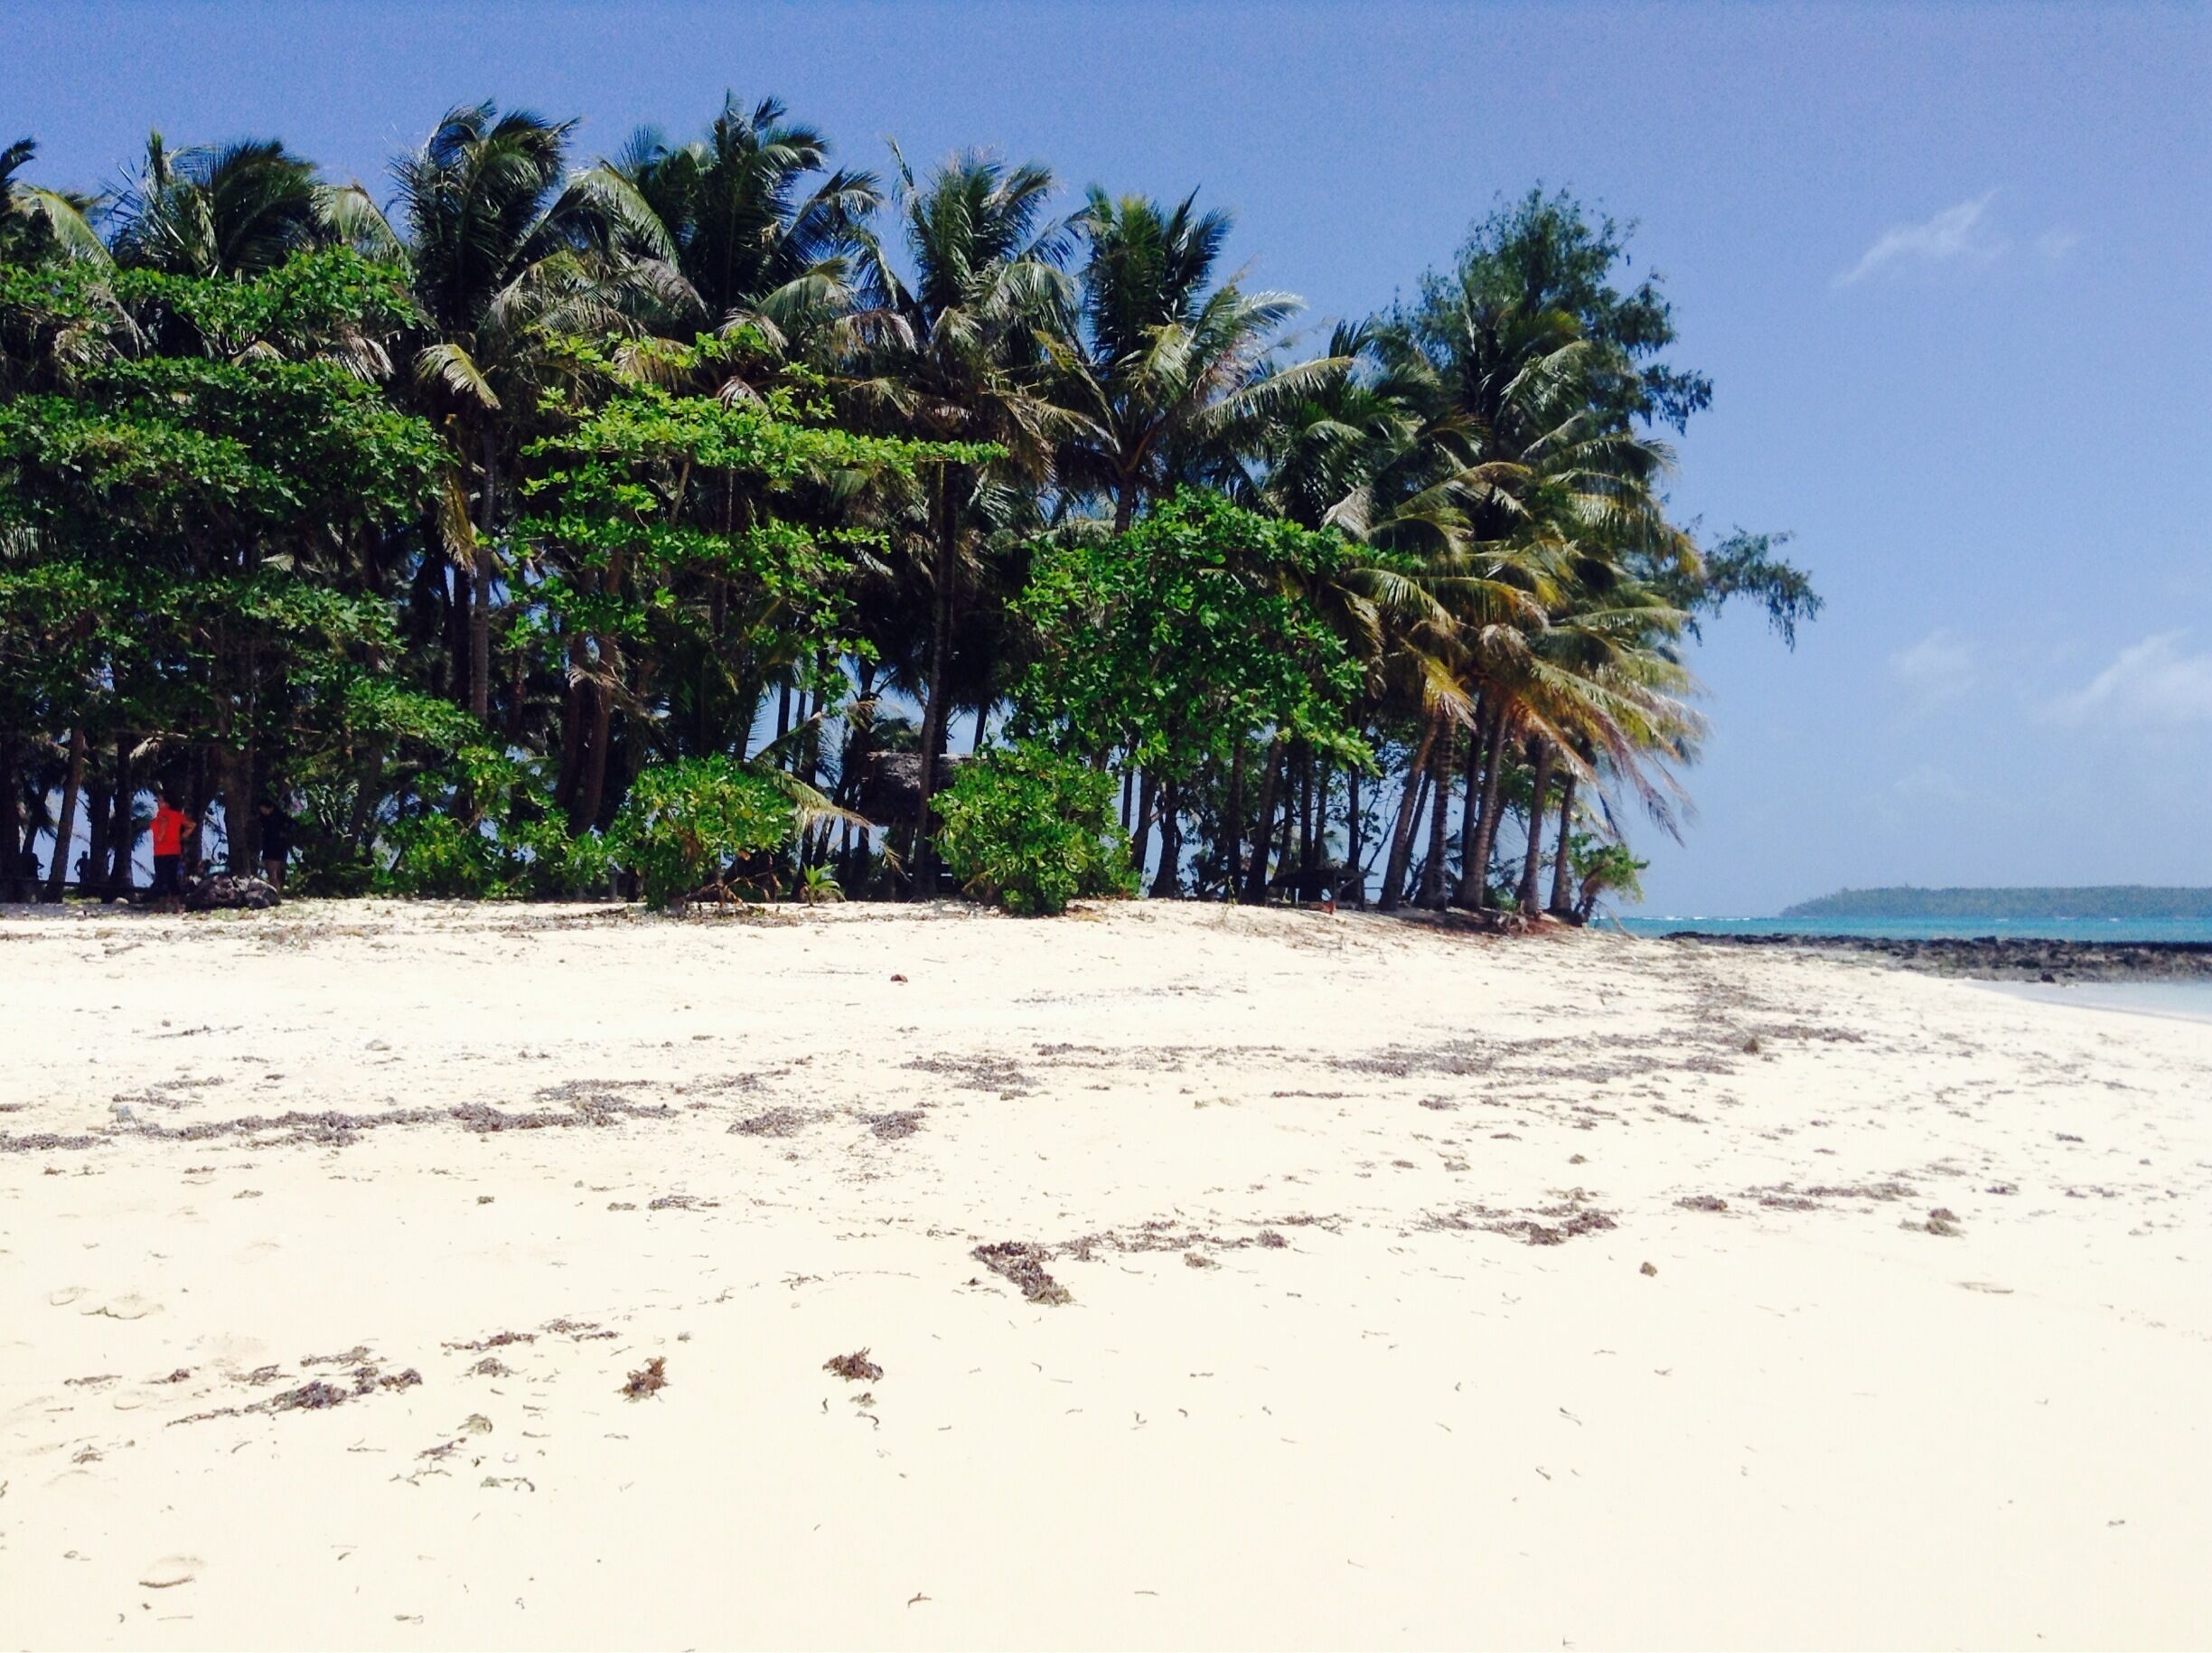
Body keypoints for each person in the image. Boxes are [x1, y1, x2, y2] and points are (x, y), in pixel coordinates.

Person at [148, 791, 196, 912]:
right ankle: (175, 906)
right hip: (171, 851)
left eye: (160, 801)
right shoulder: (175, 816)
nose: (158, 803)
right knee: (170, 878)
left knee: (162, 878)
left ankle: (164, 906)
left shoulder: (159, 819)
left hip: (161, 852)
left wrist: (165, 833)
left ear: (166, 803)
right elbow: (191, 825)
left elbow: (159, 837)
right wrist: (182, 836)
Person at [255, 797, 295, 891]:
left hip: (277, 846)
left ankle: (275, 893)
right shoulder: (264, 817)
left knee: (273, 873)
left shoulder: (279, 816)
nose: (263, 812)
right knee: (271, 872)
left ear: (270, 807)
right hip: (269, 846)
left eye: (264, 809)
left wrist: (283, 832)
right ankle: (276, 891)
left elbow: (293, 824)